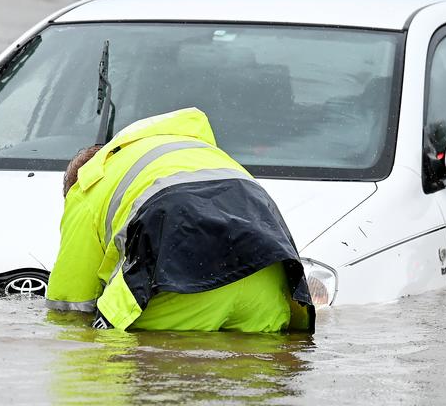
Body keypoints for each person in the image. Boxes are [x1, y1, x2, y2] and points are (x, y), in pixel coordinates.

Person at [45, 107, 314, 332]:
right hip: (265, 285)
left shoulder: (88, 183)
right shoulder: (198, 154)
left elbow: (70, 303)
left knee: (106, 363)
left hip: (176, 285)